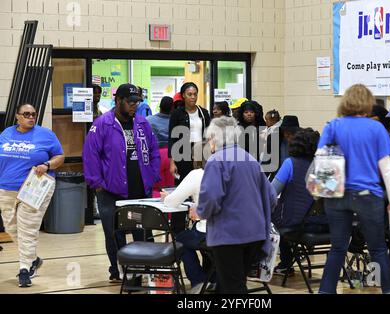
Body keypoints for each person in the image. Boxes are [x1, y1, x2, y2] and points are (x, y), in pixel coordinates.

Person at [317, 84, 390, 294]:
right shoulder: (376, 128)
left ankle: (325, 291)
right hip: (367, 194)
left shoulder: (332, 125)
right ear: (368, 103)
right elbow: (386, 167)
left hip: (336, 193)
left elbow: (321, 160)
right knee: (378, 248)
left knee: (337, 248)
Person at [83, 83, 161, 282]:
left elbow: (153, 152)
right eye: (131, 102)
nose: (135, 105)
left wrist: (151, 177)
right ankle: (117, 270)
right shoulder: (102, 124)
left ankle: (139, 271)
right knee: (114, 234)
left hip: (139, 190)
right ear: (118, 101)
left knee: (141, 231)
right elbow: (90, 155)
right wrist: (97, 184)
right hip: (111, 192)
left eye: (137, 102)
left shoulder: (143, 124)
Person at [196, 116, 278, 294]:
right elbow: (272, 196)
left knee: (233, 287)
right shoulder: (250, 159)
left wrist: (199, 212)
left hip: (228, 235)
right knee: (230, 284)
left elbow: (210, 198)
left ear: (214, 139)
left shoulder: (216, 161)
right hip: (255, 234)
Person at [0, 103, 65, 287]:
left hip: (35, 186)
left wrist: (48, 165)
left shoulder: (46, 135)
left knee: (27, 228)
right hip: (6, 187)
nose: (30, 117)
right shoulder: (6, 133)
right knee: (12, 228)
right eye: (26, 114)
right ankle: (33, 259)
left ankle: (24, 269)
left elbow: (60, 156)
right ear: (17, 116)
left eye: (33, 114)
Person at [271, 128, 329, 276]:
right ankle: (288, 260)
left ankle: (283, 263)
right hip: (324, 224)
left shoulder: (290, 163)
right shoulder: (324, 166)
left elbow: (271, 193)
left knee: (271, 216)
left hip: (298, 224)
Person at [161, 163, 211, 294]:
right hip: (238, 231)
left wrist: (166, 197)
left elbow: (172, 201)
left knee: (181, 239)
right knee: (196, 232)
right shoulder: (233, 171)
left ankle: (198, 280)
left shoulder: (197, 174)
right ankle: (213, 278)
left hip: (210, 231)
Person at [168, 82, 211, 184]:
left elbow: (210, 134)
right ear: (183, 95)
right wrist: (172, 162)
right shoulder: (177, 113)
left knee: (201, 182)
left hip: (201, 151)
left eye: (195, 94)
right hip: (183, 152)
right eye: (190, 94)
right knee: (184, 182)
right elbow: (172, 138)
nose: (193, 97)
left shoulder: (203, 112)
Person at [147, 96, 174, 197]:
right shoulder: (175, 121)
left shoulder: (149, 120)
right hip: (171, 156)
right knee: (170, 188)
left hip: (155, 155)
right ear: (172, 108)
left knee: (155, 187)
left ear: (160, 106)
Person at [261, 110, 282, 177]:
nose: (266, 122)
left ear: (273, 121)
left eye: (267, 120)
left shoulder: (275, 130)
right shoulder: (271, 129)